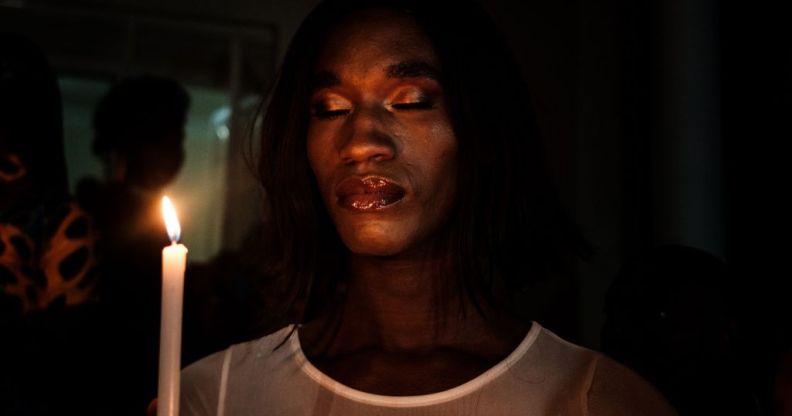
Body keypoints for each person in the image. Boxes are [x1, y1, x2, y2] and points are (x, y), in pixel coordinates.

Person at [179, 1, 676, 414]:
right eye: (331, 109)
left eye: (411, 100)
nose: (360, 142)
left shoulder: (596, 398)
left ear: (481, 129)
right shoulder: (216, 394)